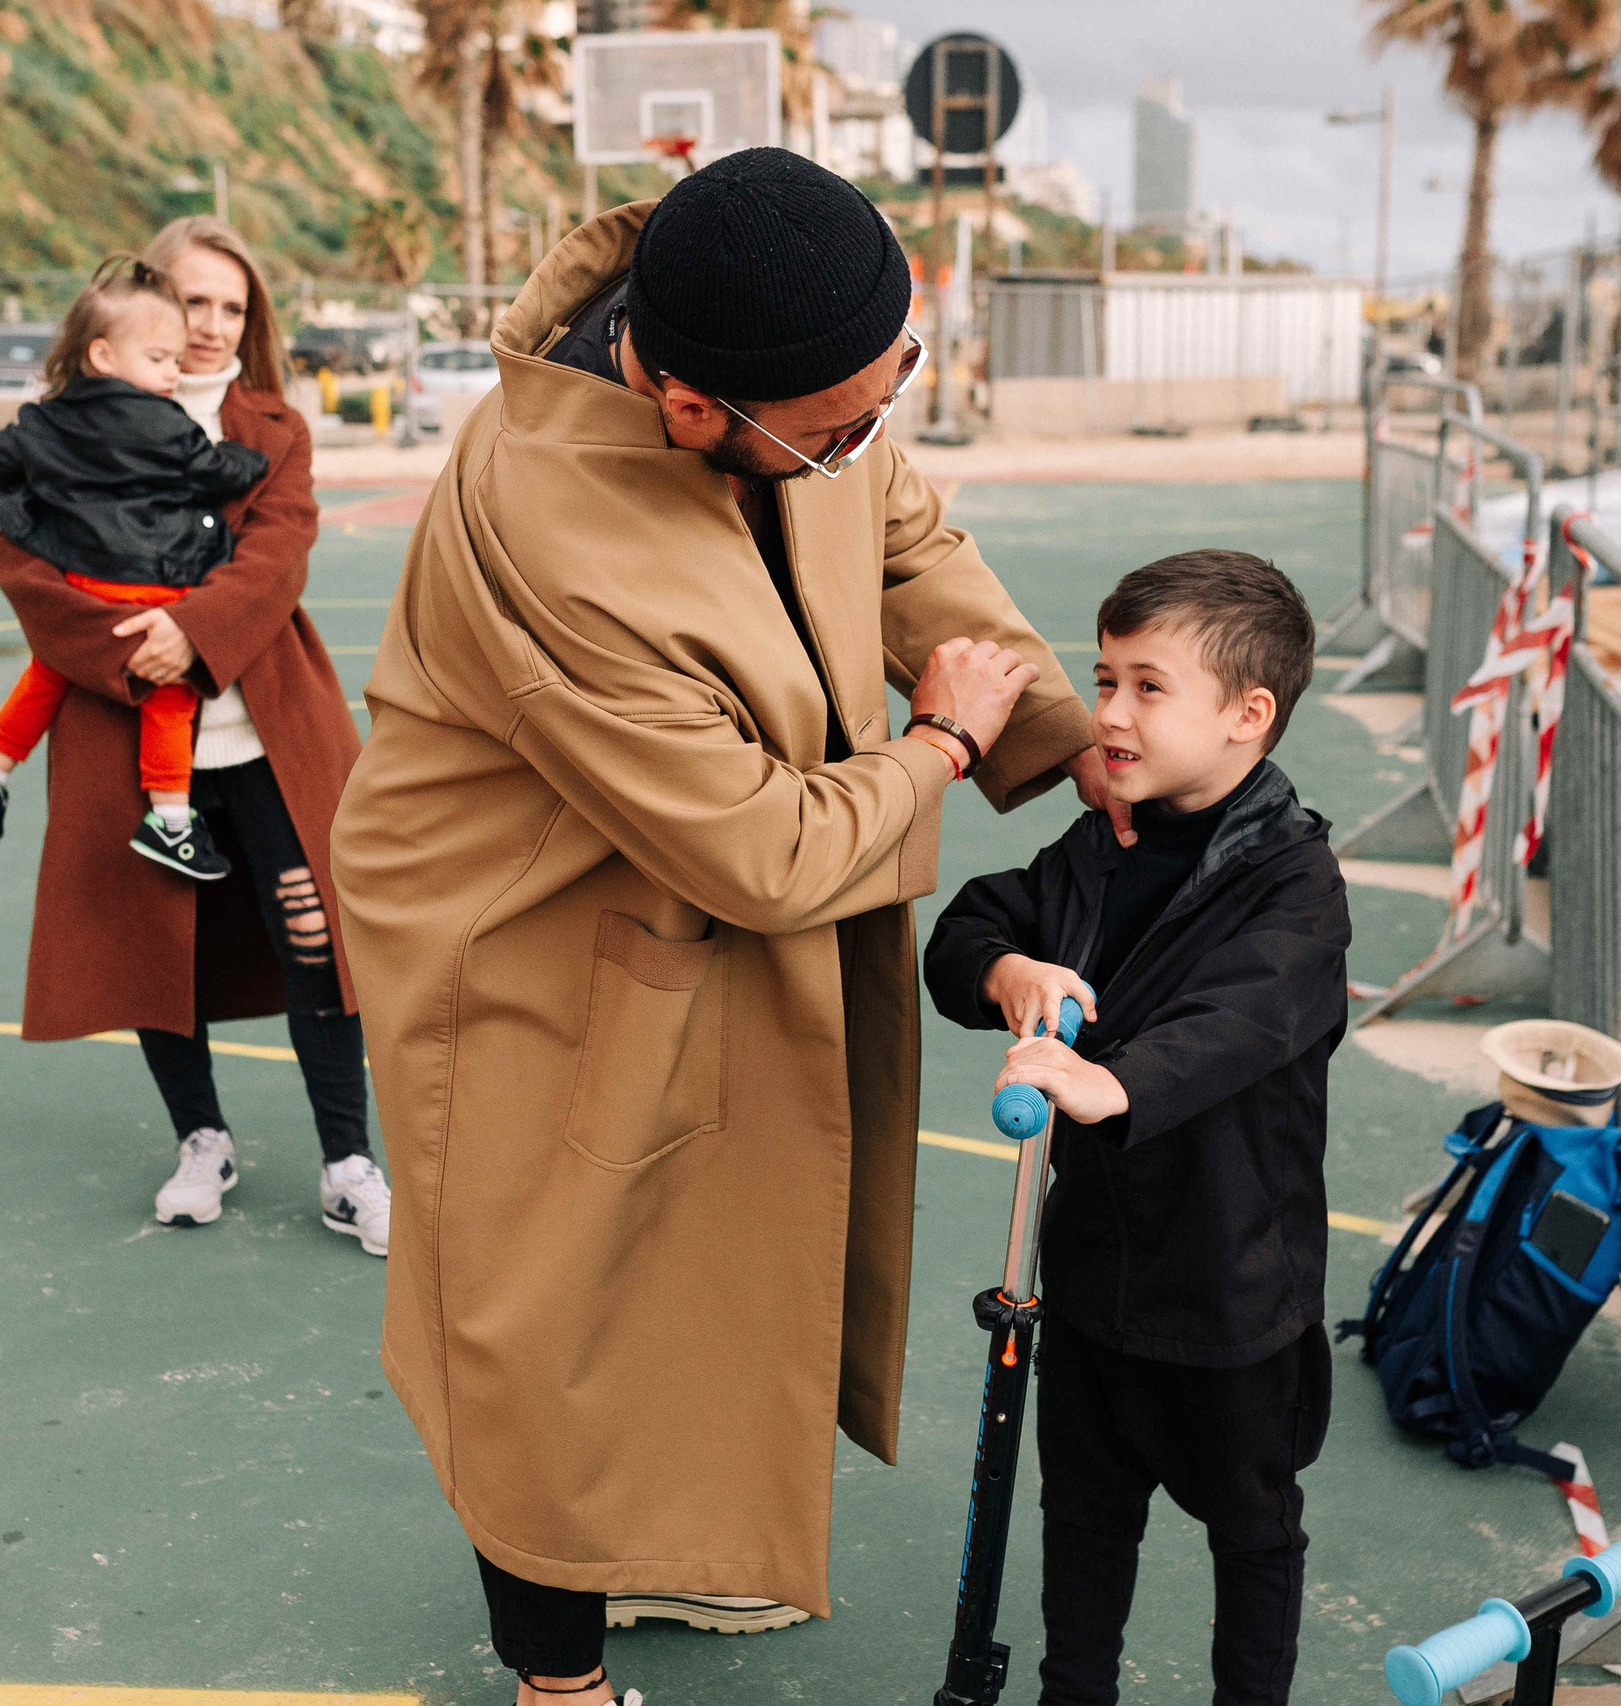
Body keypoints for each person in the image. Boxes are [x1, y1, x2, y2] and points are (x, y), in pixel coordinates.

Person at [331, 150, 1125, 1706]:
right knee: (544, 1312)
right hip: (531, 931)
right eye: (838, 429)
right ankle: (555, 1676)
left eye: (889, 397)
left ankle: (673, 1539)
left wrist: (1058, 727)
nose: (869, 442)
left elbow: (905, 535)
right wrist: (946, 748)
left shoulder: (793, 381)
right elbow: (762, 848)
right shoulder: (546, 526)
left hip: (702, 885)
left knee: (710, 1252)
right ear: (695, 411)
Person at [923, 550, 1351, 1706]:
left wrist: (1111, 1083)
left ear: (1245, 716)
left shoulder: (1294, 882)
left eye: (1146, 687)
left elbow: (1246, 1016)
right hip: (1096, 1270)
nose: (1107, 714)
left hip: (1228, 1285)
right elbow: (969, 924)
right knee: (1083, 1518)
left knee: (1252, 1527)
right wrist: (1010, 969)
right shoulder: (1102, 845)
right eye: (1104, 678)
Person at [0, 215, 390, 1250]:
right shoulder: (62, 424)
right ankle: (200, 1138)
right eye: (189, 301)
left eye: (230, 307)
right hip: (125, 730)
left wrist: (192, 631)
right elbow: (28, 572)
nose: (208, 327)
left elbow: (277, 556)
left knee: (315, 931)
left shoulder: (272, 429)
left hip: (263, 728)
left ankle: (347, 1161)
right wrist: (136, 651)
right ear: (133, 306)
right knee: (154, 942)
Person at [0, 257, 268, 879]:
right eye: (160, 359)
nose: (172, 372)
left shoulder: (48, 417)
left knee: (44, 679)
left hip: (83, 582)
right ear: (103, 355)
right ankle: (171, 819)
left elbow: (2, 458)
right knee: (170, 698)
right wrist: (243, 458)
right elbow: (218, 472)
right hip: (153, 588)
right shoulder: (164, 424)